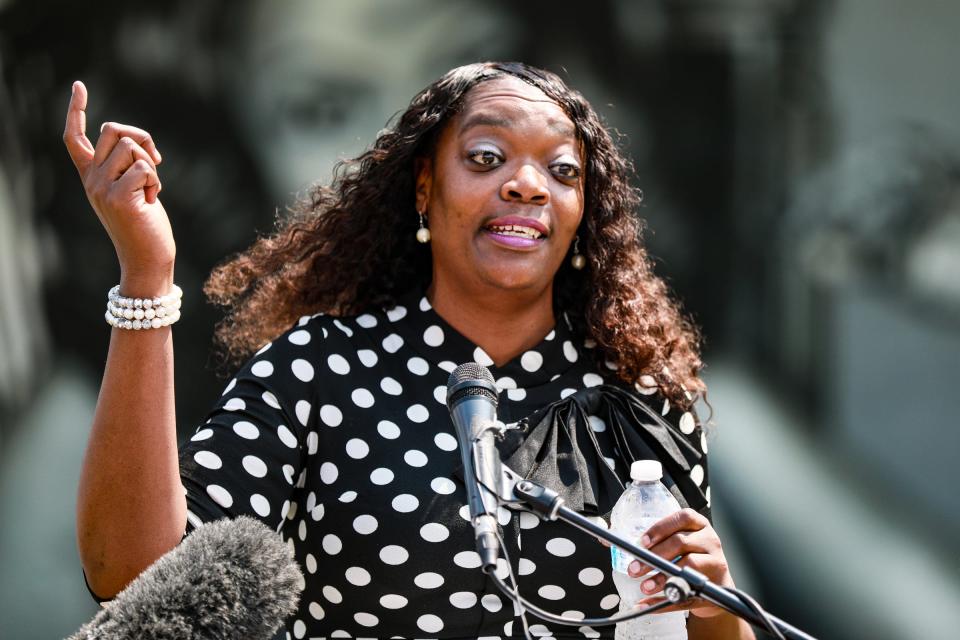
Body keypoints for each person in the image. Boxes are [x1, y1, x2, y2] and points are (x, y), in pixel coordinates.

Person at [64, 61, 754, 639]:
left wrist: (717, 599)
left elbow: (698, 626)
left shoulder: (640, 402)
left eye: (563, 172)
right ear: (425, 188)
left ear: (583, 213)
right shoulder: (322, 369)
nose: (527, 184)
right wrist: (146, 278)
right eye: (487, 158)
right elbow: (131, 575)